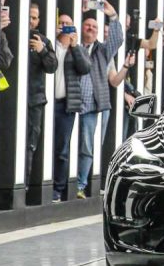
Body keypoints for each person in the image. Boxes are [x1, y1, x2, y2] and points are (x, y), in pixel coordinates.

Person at [75, 0, 124, 198]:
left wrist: (113, 16)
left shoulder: (103, 51)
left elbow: (117, 39)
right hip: (71, 104)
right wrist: (78, 10)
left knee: (87, 147)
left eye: (95, 27)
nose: (91, 29)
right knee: (66, 146)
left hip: (94, 106)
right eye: (87, 25)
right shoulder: (73, 46)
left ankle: (80, 185)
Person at [51, 30, 90, 202]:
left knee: (62, 148)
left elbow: (85, 68)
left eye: (68, 26)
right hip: (47, 103)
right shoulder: (50, 46)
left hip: (66, 105)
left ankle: (58, 188)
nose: (64, 28)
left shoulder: (77, 50)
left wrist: (74, 47)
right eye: (62, 24)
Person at [24, 3, 58, 187]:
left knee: (30, 143)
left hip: (35, 101)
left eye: (34, 18)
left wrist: (42, 50)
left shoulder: (42, 40)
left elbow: (52, 66)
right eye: (29, 16)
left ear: (38, 21)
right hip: (12, 100)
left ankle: (26, 184)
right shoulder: (12, 34)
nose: (31, 21)